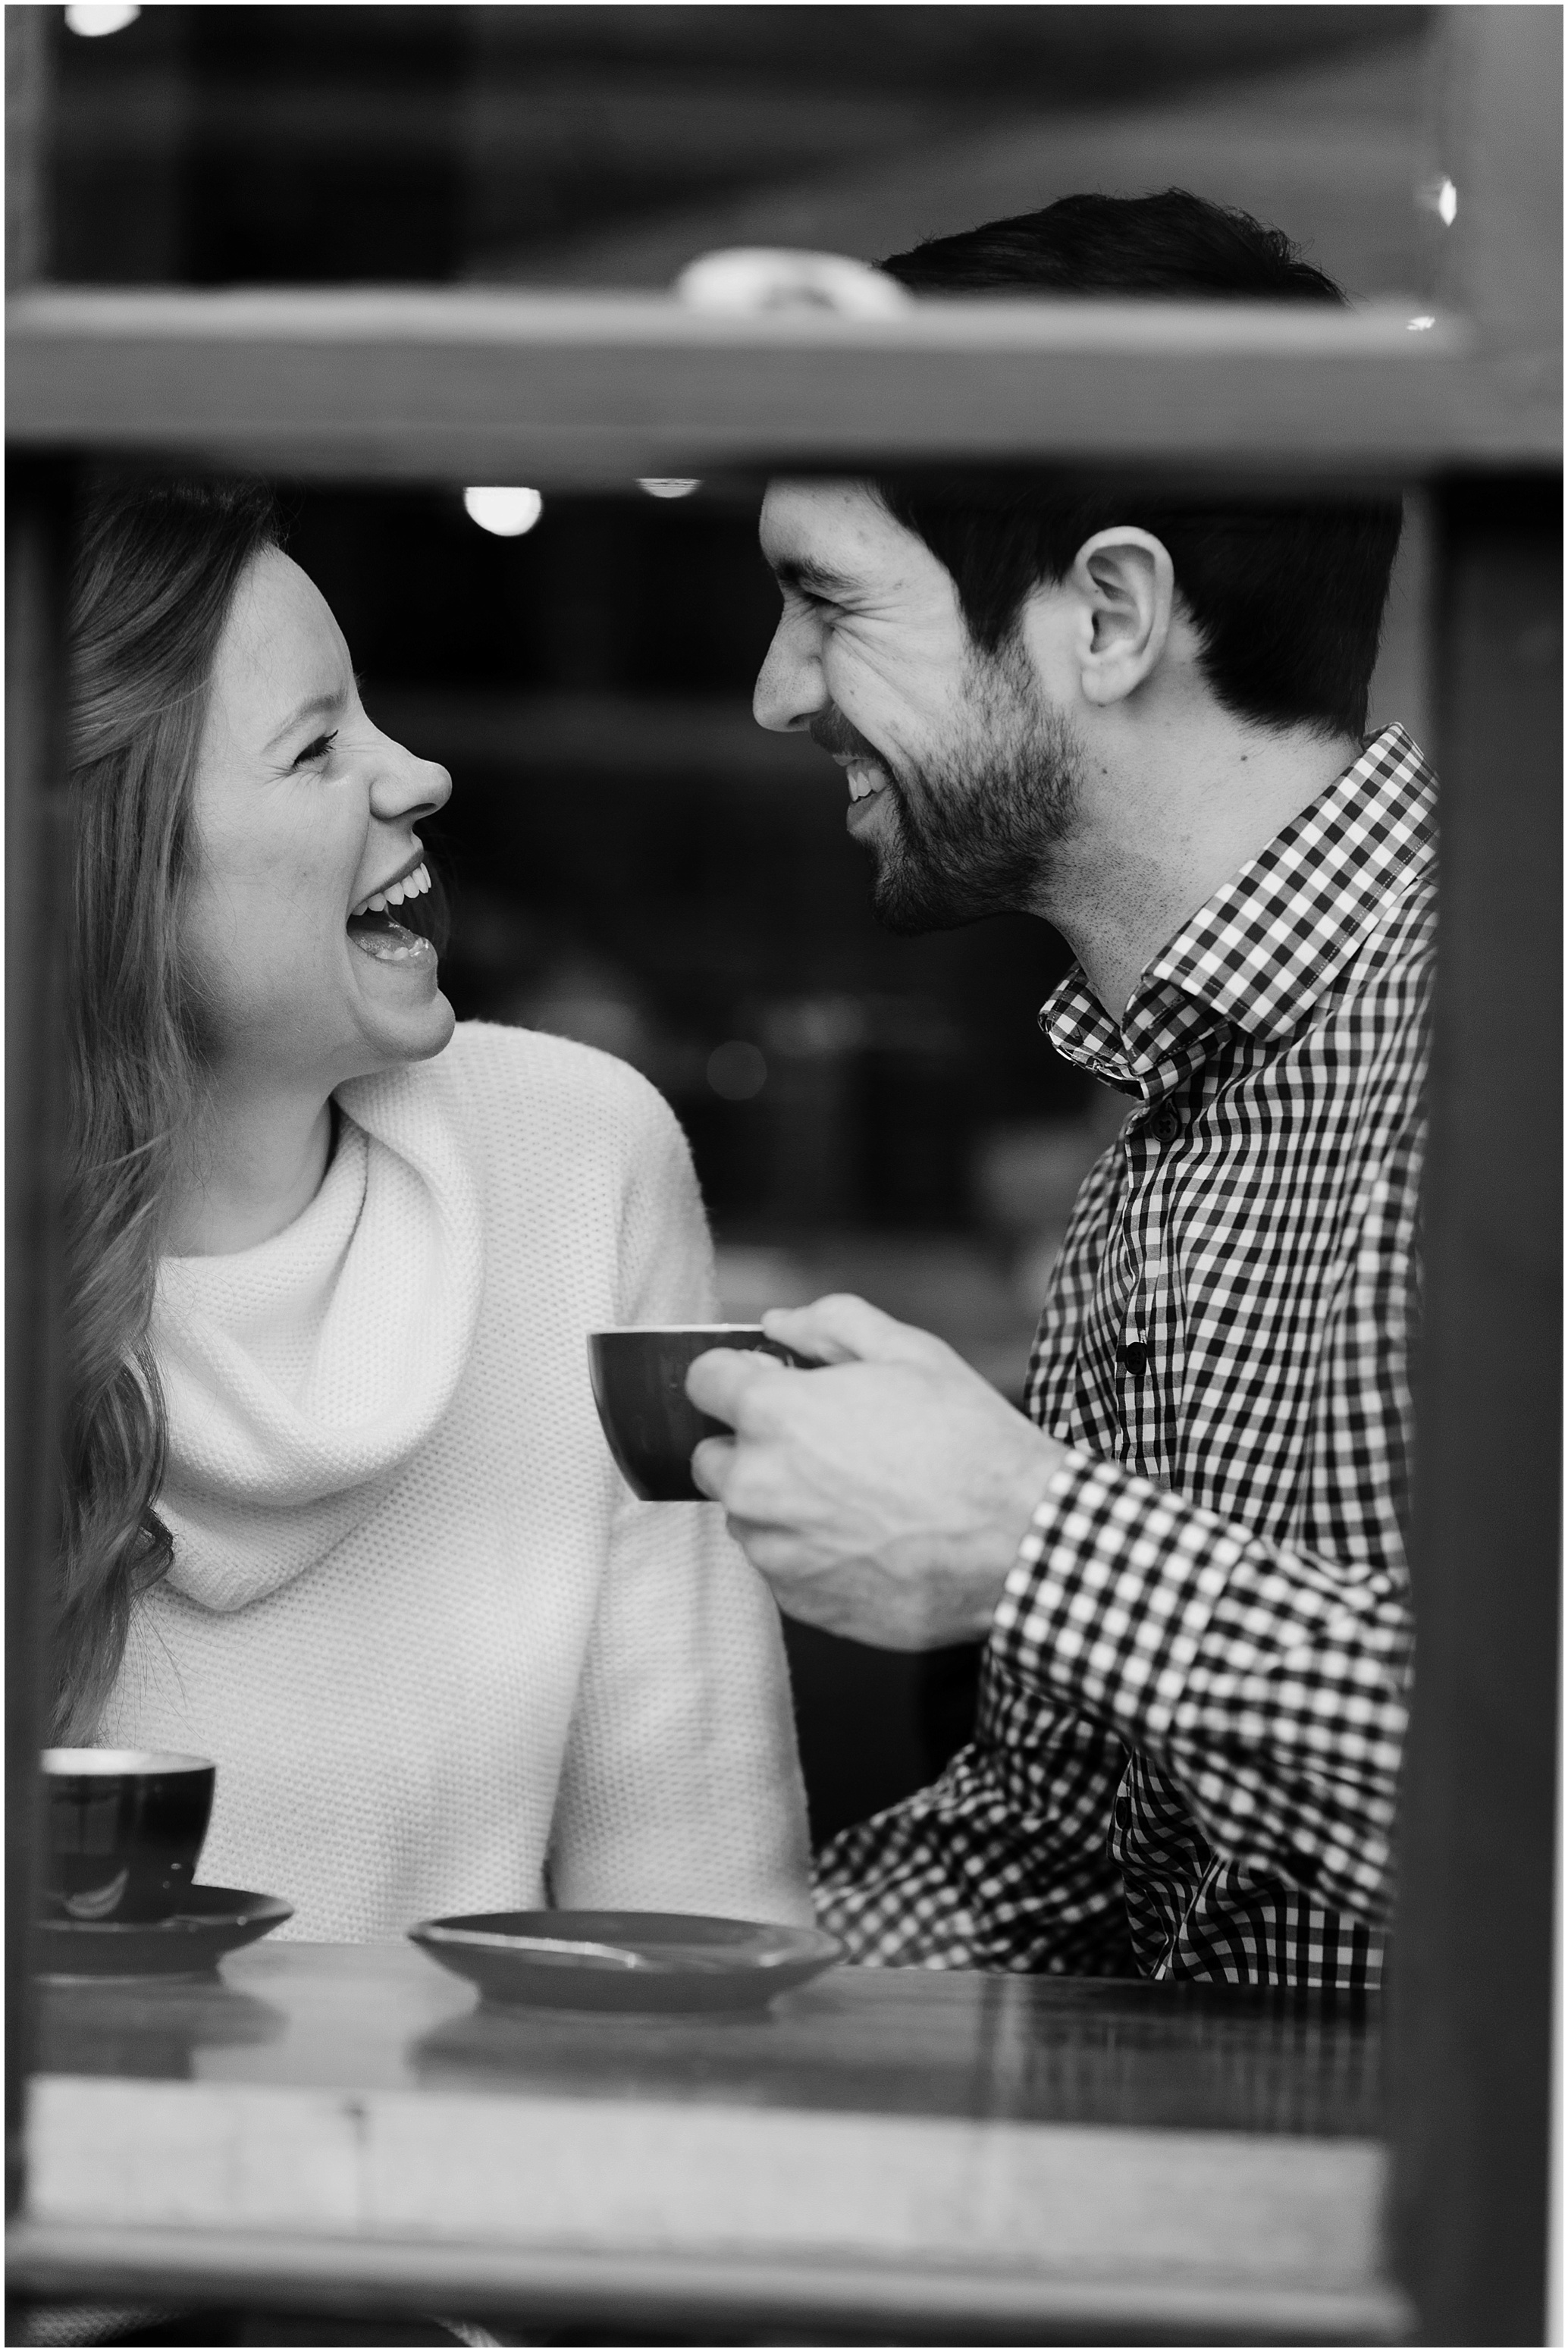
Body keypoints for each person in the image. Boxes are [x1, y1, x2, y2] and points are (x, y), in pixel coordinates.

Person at [686, 191, 1428, 1990]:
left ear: (1106, 616)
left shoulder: (1508, 1032)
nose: (778, 692)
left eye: (827, 602)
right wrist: (654, 2036)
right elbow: (1081, 1844)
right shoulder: (1171, 1115)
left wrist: (1022, 1544)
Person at [61, 479, 811, 1943]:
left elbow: (697, 1887)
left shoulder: (583, 1160)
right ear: (119, 874)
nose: (419, 777)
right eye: (318, 745)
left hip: (472, 2155)